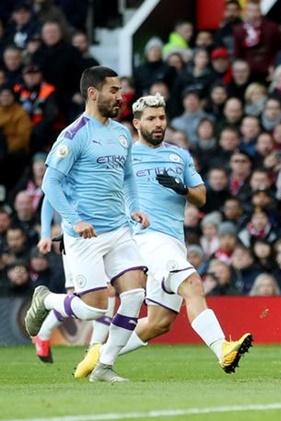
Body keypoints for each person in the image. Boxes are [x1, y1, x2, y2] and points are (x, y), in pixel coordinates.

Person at [107, 94, 252, 374]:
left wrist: (181, 188)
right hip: (147, 238)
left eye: (161, 117)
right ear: (137, 123)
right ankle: (223, 348)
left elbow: (202, 198)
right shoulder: (125, 158)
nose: (158, 123)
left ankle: (100, 355)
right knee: (193, 284)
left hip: (173, 241)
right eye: (151, 118)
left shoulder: (179, 155)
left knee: (159, 322)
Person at [24, 66, 150, 383]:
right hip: (85, 235)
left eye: (120, 91)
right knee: (94, 309)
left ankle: (104, 367)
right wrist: (74, 220)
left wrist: (135, 207)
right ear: (93, 93)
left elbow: (129, 177)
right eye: (113, 91)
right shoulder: (74, 135)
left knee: (134, 295)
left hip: (119, 229)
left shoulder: (122, 134)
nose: (120, 97)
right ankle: (47, 300)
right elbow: (50, 185)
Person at [32, 200, 115, 364]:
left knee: (75, 298)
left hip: (92, 238)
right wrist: (45, 234)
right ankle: (93, 352)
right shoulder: (70, 174)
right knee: (106, 293)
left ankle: (44, 336)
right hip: (81, 241)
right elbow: (50, 196)